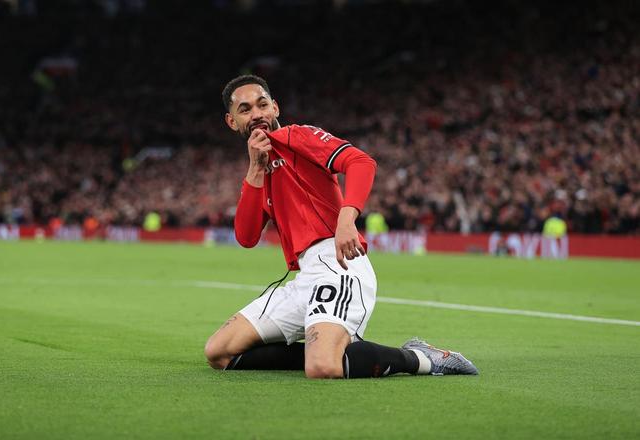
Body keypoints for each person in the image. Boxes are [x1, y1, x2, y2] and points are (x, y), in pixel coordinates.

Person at [203, 75, 478, 379]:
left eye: (262, 104)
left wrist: (346, 219)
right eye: (245, 109)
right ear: (232, 122)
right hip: (306, 277)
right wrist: (255, 169)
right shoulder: (260, 168)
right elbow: (246, 237)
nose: (257, 114)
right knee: (219, 352)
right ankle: (329, 349)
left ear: (275, 108)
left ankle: (420, 358)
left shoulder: (298, 136)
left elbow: (361, 162)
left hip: (339, 265)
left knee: (322, 367)